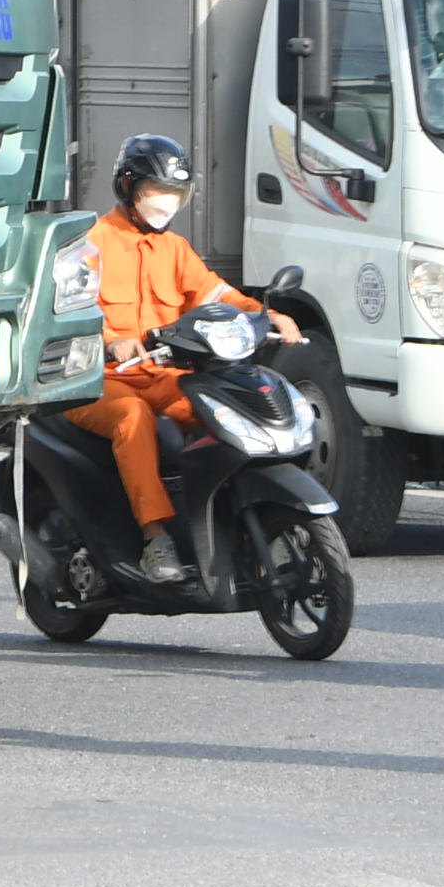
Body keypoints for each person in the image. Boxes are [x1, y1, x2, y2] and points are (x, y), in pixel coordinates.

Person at [65, 132, 301, 584]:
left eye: (174, 194)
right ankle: (157, 539)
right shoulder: (89, 243)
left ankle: (239, 517)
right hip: (98, 380)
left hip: (162, 374)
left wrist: (270, 315)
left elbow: (218, 294)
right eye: (156, 191)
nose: (166, 203)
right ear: (127, 188)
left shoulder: (175, 249)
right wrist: (112, 337)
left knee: (229, 407)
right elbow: (69, 307)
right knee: (131, 419)